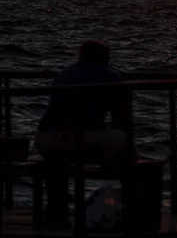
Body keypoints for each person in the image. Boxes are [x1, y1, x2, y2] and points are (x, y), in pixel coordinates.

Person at [35, 41, 133, 229]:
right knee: (120, 140)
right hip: (80, 139)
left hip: (48, 138)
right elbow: (122, 120)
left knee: (57, 162)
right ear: (105, 58)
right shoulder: (111, 77)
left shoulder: (63, 75)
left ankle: (56, 214)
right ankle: (131, 208)